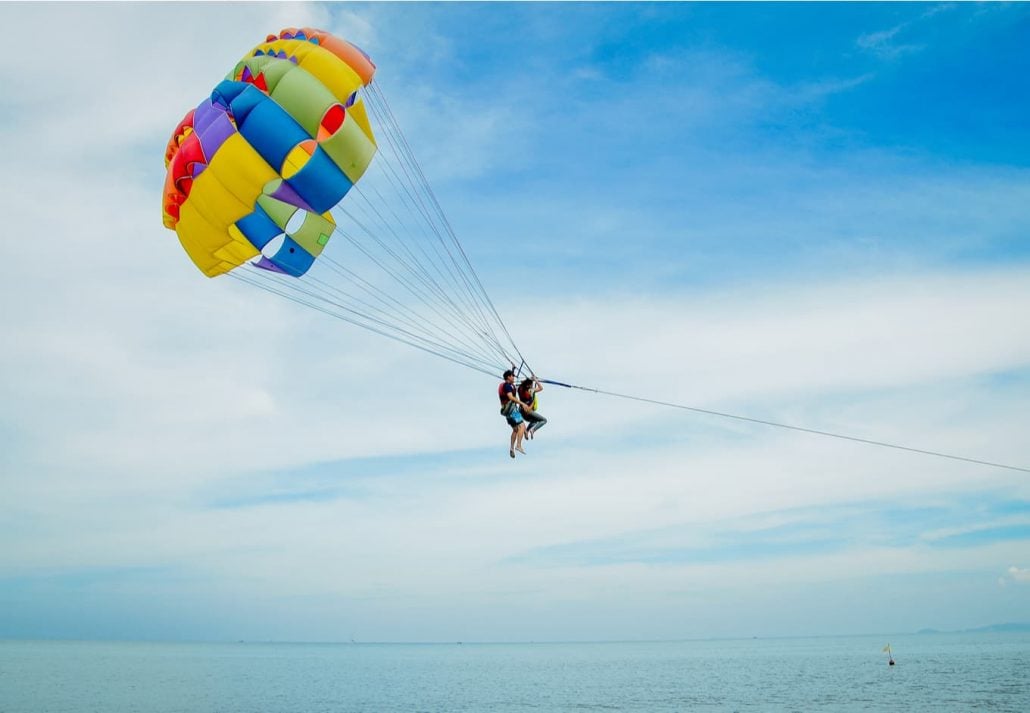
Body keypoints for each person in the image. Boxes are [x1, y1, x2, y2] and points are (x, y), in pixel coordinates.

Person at [498, 369, 526, 458]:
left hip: (506, 412)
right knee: (522, 426)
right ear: (508, 377)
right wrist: (522, 403)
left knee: (515, 430)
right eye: (512, 376)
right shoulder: (507, 386)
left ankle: (511, 448)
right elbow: (511, 397)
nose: (514, 377)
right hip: (512, 410)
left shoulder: (507, 385)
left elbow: (513, 385)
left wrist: (513, 368)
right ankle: (518, 445)